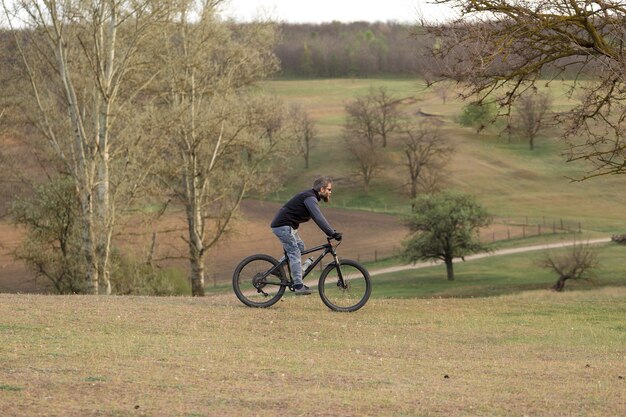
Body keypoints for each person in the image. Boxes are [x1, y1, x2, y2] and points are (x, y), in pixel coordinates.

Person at [271, 176, 342, 295]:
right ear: (322, 189)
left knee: (300, 247)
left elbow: (318, 217)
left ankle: (277, 269)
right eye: (329, 189)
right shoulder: (310, 198)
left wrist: (331, 231)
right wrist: (332, 233)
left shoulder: (311, 197)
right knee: (294, 252)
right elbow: (318, 217)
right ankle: (298, 286)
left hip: (288, 227)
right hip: (283, 226)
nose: (330, 192)